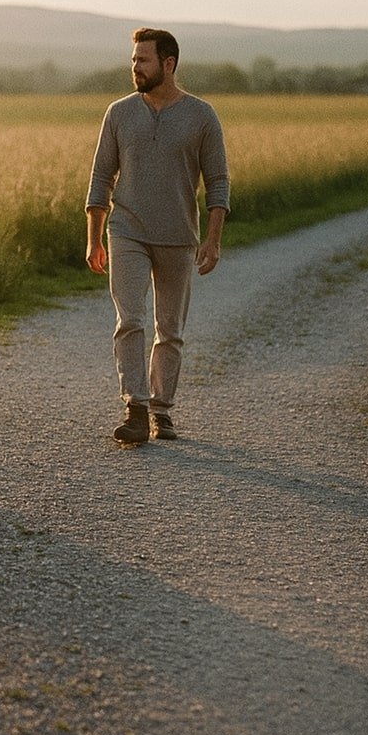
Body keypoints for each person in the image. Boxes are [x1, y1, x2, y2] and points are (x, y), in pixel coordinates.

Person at [85, 27, 229, 444]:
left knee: (170, 328)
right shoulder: (119, 112)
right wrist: (94, 237)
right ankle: (135, 406)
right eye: (133, 60)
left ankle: (161, 411)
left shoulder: (202, 117)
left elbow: (218, 182)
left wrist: (213, 238)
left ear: (168, 63)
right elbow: (100, 177)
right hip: (126, 229)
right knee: (129, 318)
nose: (135, 67)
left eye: (143, 60)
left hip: (179, 235)